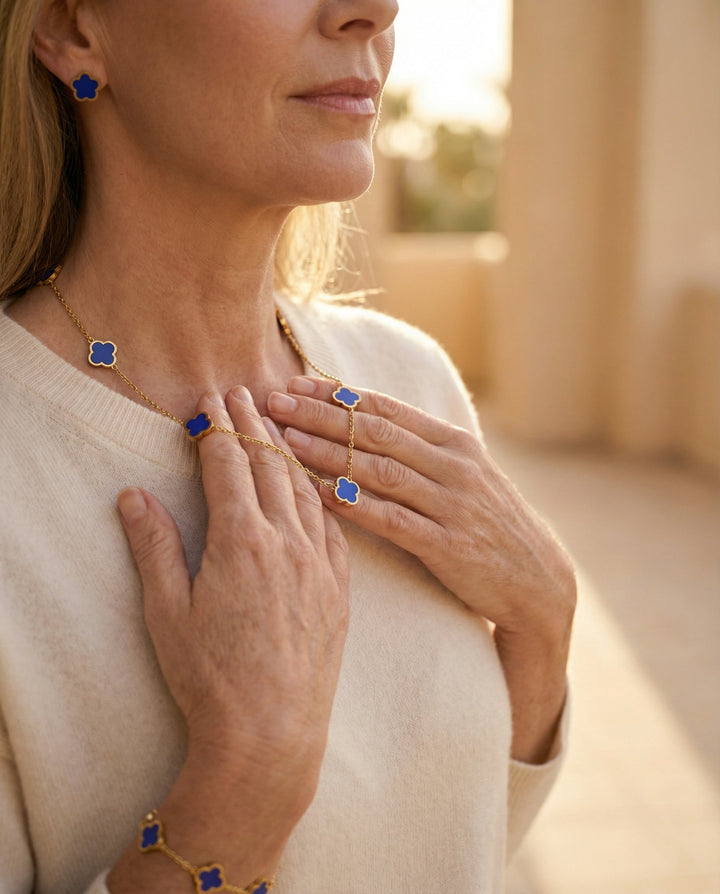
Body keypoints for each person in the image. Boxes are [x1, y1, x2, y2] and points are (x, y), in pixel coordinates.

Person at [0, 1, 576, 892]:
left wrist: (541, 625)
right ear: (77, 29)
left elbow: (458, 848)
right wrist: (245, 778)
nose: (372, 9)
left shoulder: (408, 379)